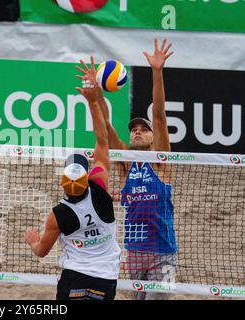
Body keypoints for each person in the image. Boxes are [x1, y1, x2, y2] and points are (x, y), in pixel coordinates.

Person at [25, 56, 121, 300]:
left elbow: (41, 252)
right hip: (106, 279)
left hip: (74, 277)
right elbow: (102, 140)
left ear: (63, 182)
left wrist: (33, 241)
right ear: (88, 176)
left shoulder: (58, 215)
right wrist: (92, 100)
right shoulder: (99, 187)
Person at [96, 39, 177, 300]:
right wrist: (95, 95)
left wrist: (157, 72)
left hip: (162, 251)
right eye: (134, 130)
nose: (138, 132)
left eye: (143, 130)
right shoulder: (125, 163)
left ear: (154, 138)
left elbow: (160, 116)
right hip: (134, 251)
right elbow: (105, 126)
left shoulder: (160, 161)